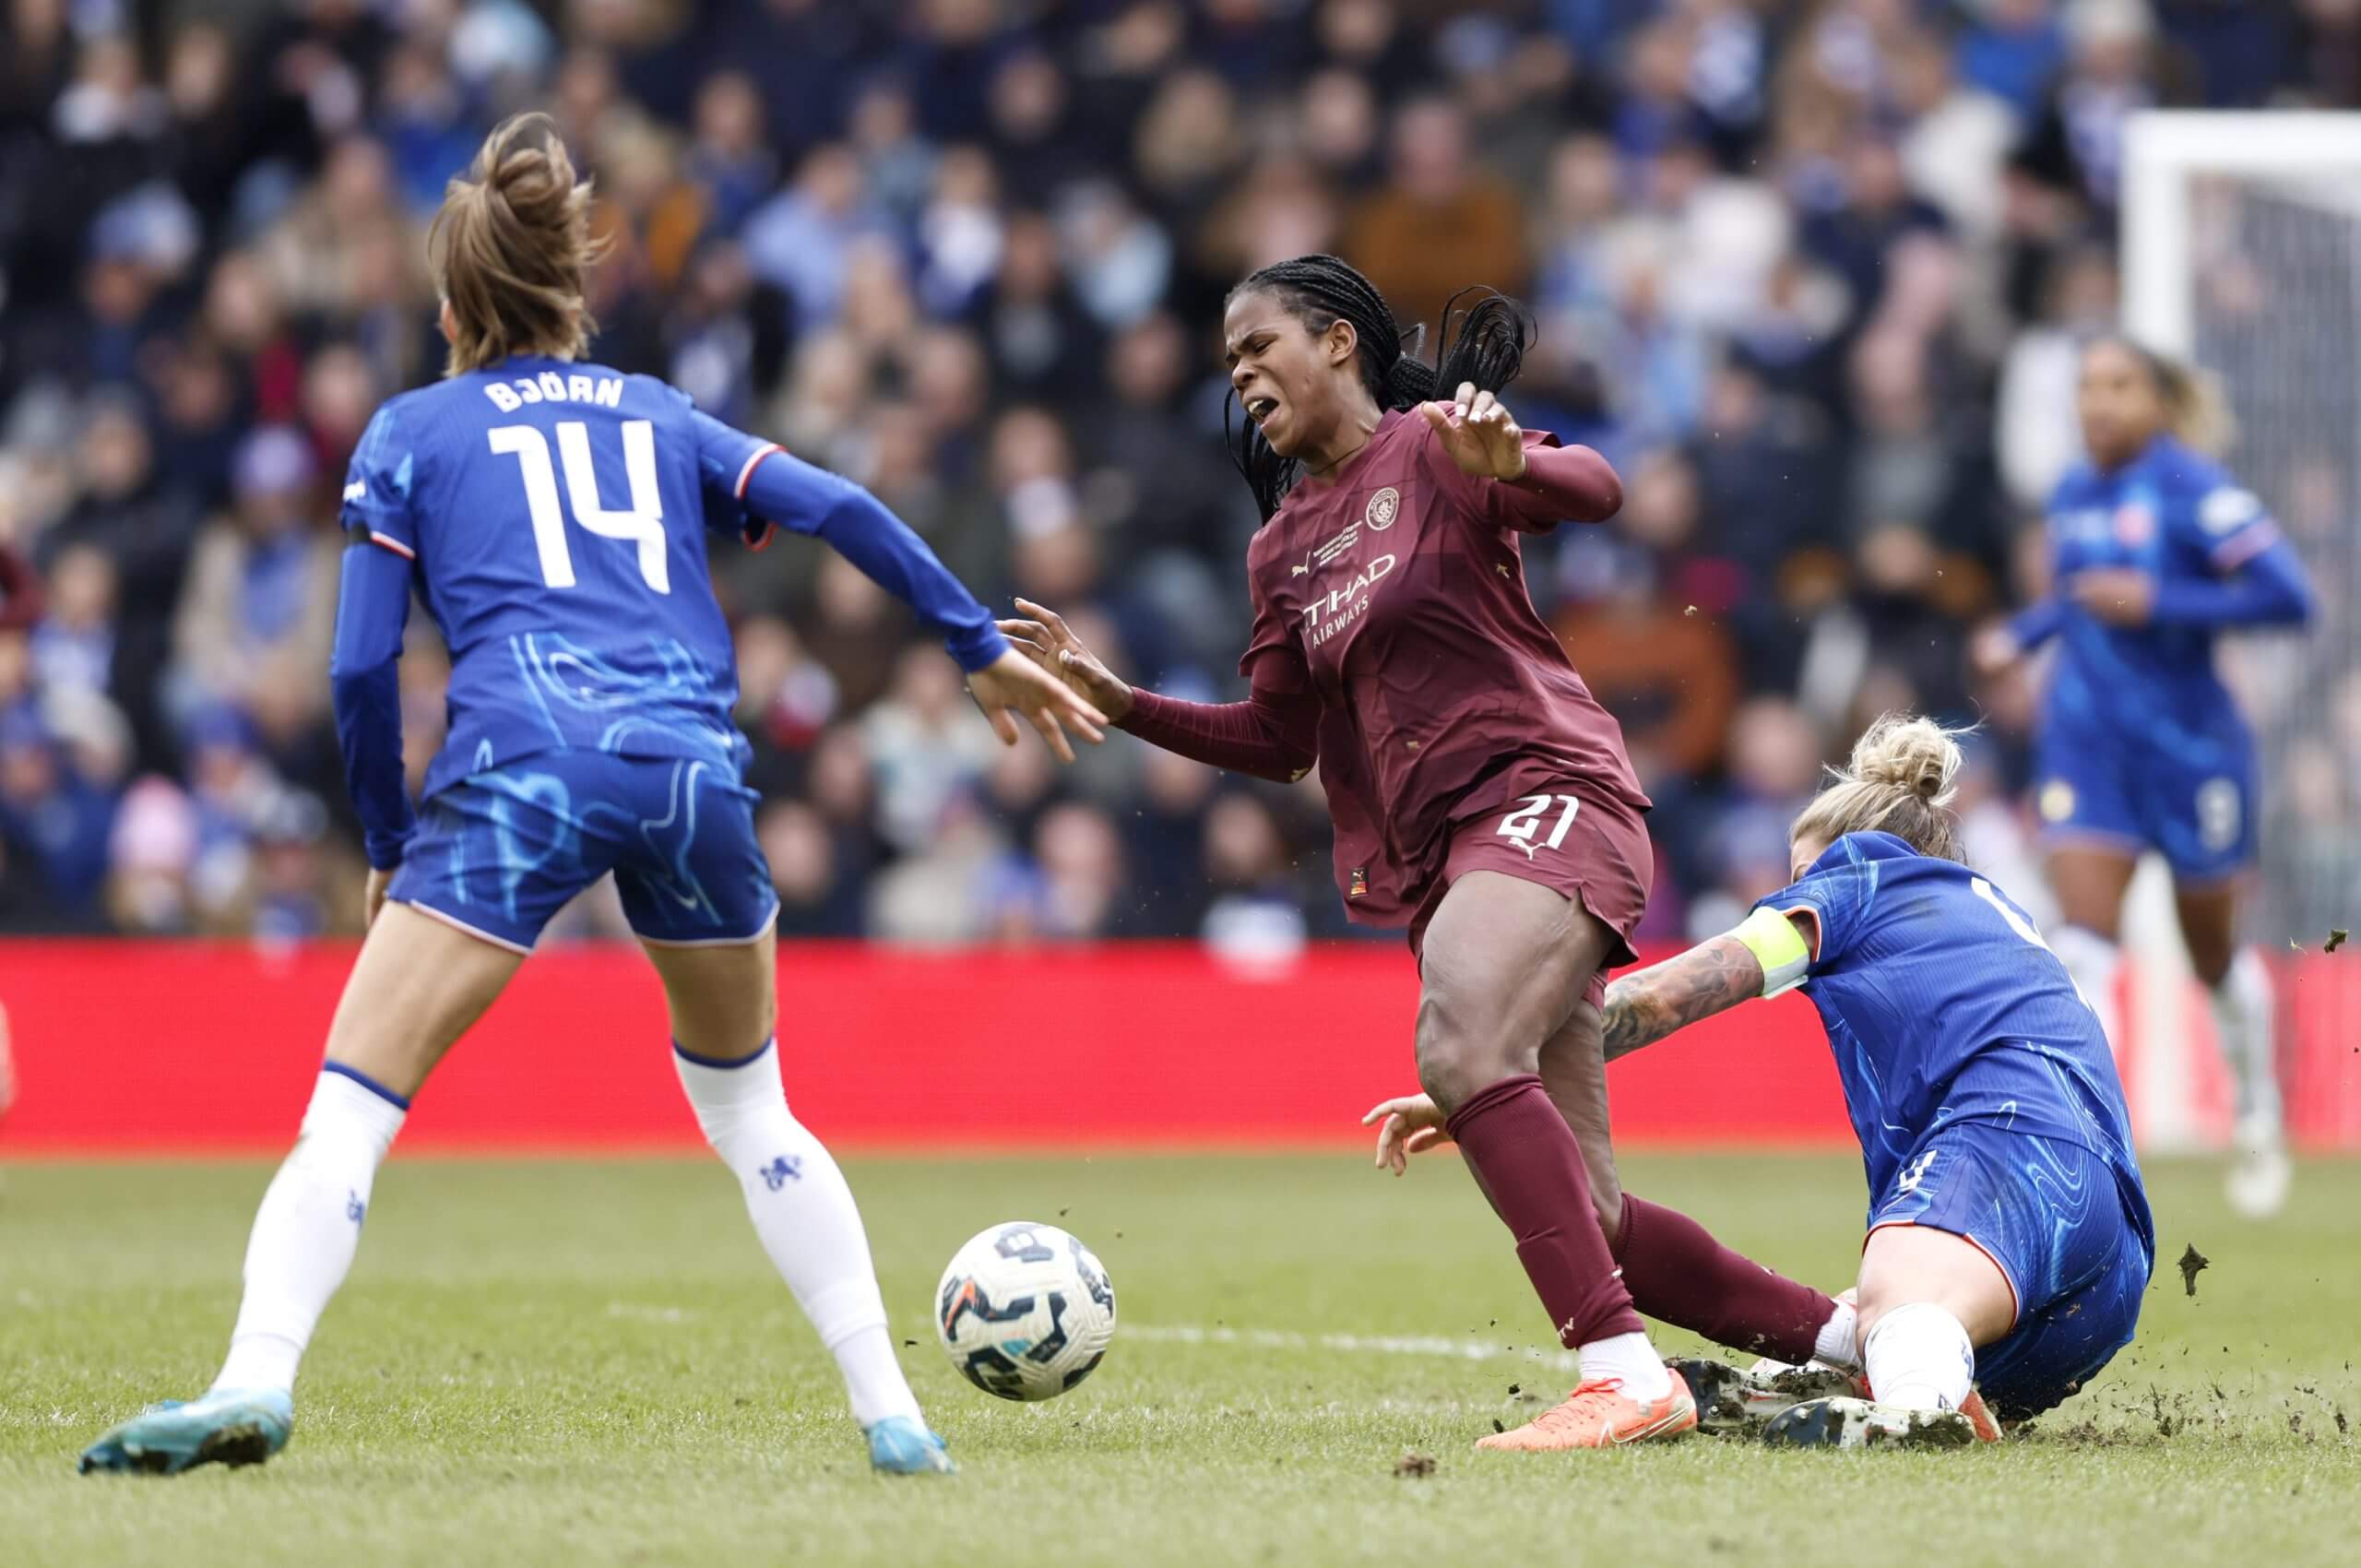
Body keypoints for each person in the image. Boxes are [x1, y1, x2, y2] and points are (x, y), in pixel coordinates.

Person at [78, 114, 1103, 1480]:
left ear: (451, 308)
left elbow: (359, 664)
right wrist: (978, 643)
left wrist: (389, 842)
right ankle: (892, 1413)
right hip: (689, 768)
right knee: (752, 1112)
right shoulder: (659, 412)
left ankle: (252, 1381)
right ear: (574, 294)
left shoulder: (409, 430)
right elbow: (845, 507)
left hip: (520, 770)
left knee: (352, 1111)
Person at [1003, 253, 1718, 1450]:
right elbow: (1281, 743)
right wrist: (1120, 702)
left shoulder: (1441, 444)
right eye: (1227, 360)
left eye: (1258, 345)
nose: (1239, 373)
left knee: (1461, 1036)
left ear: (1337, 341)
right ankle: (1854, 1341)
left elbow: (1598, 491)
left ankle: (1621, 1371)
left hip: (1549, 794)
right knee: (1594, 1209)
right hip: (1453, 866)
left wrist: (1520, 463)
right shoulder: (1283, 551)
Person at [1367, 716, 2154, 1448]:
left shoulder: (1861, 875)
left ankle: (1912, 1417)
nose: (1790, 894)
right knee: (1881, 1323)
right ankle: (1845, 1377)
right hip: (2106, 1264)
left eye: (1797, 875)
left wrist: (1483, 1071)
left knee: (1901, 1298)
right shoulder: (1988, 915)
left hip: (2014, 1151)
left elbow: (1664, 995)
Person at [1973, 336, 2313, 1218]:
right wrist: (2026, 635)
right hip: (2088, 746)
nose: (2099, 404)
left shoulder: (2200, 492)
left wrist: (2164, 602)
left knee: (2210, 956)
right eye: (2089, 387)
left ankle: (2257, 1118)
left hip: (2194, 752)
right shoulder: (2073, 490)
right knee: (2083, 945)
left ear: (2158, 401)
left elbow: (2290, 597)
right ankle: (2091, 1153)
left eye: (2119, 387)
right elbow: (2085, 597)